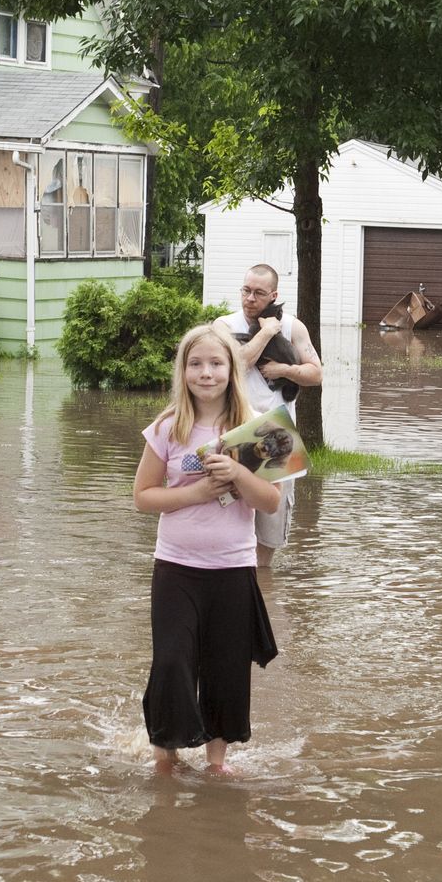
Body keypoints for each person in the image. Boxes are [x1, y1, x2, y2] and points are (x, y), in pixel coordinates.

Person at [133, 324, 282, 774]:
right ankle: (166, 756)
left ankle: (217, 763)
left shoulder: (258, 426)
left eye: (216, 363)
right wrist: (196, 494)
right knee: (173, 662)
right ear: (183, 371)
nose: (206, 372)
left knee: (226, 667)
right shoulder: (166, 427)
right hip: (176, 567)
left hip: (234, 569)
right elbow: (142, 496)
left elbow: (270, 502)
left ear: (231, 369)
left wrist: (238, 475)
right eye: (195, 364)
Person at [214, 264, 322, 567]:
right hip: (233, 429)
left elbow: (316, 374)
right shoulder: (223, 325)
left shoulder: (293, 326)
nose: (250, 298)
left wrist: (284, 370)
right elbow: (234, 365)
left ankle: (263, 586)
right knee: (227, 515)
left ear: (274, 295)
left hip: (278, 434)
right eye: (246, 291)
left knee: (271, 528)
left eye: (259, 293)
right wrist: (266, 333)